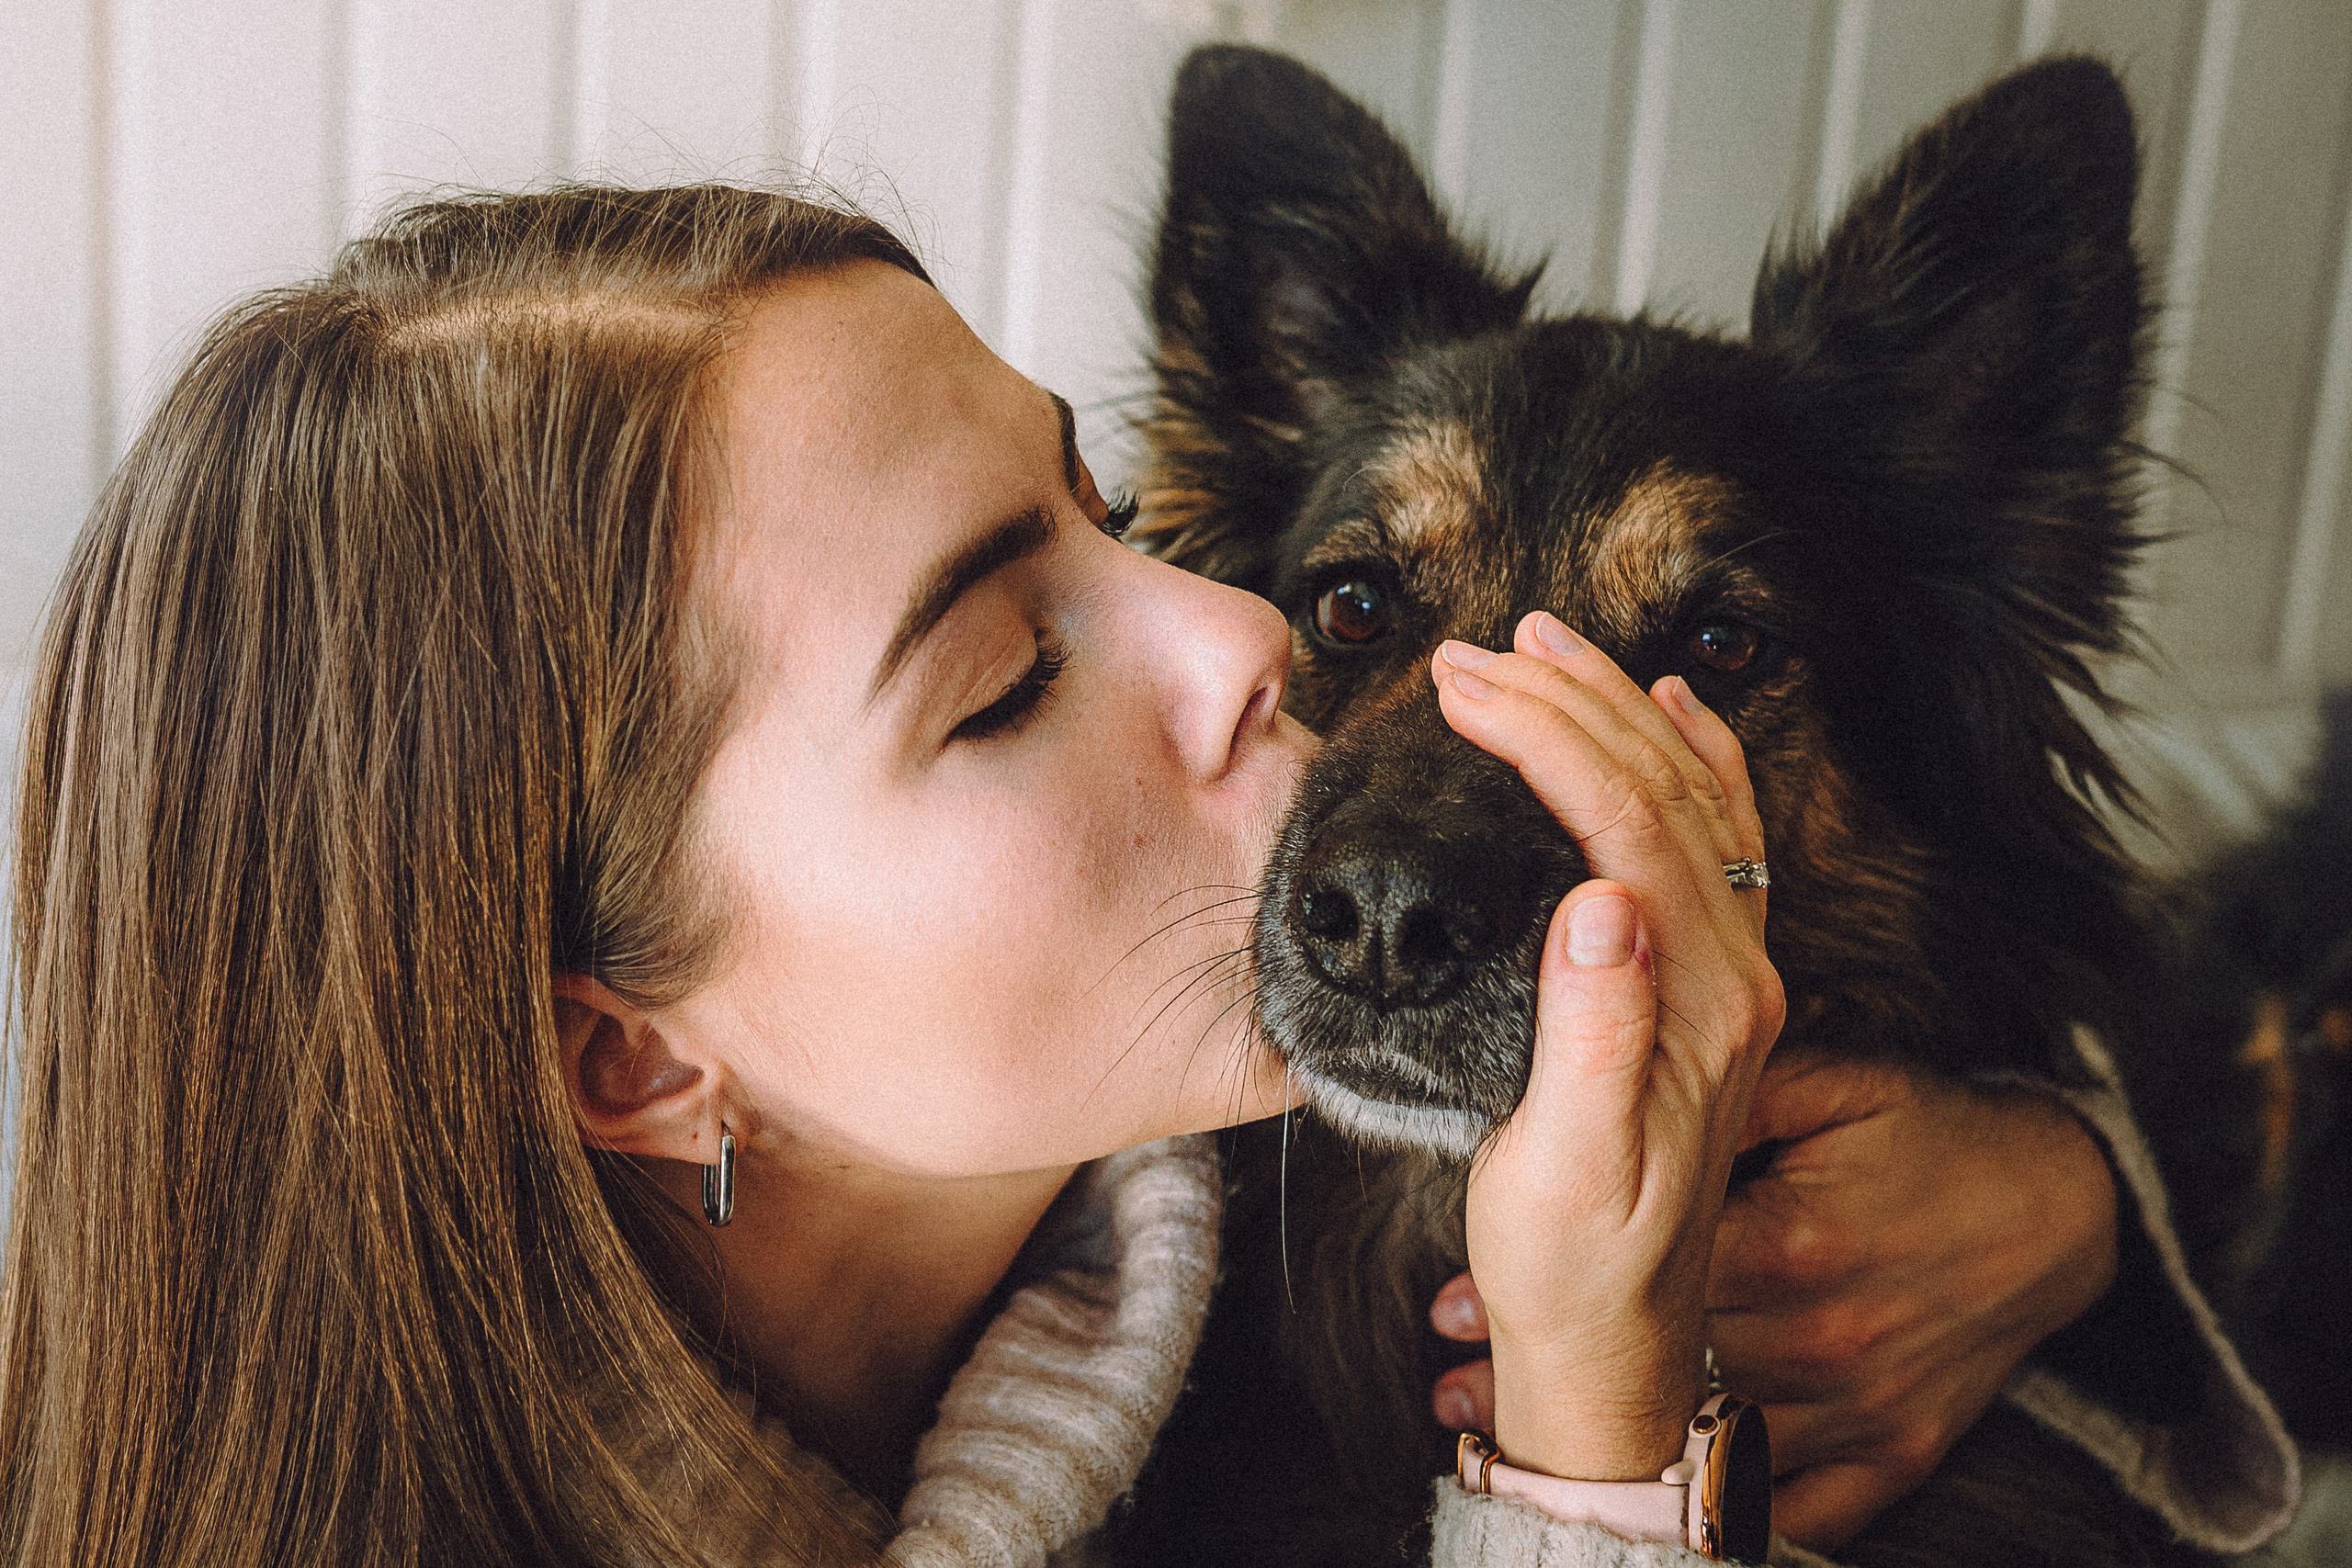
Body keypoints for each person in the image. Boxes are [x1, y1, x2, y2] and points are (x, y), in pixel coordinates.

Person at [0, 184, 2289, 1566]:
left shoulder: (1156, 1210)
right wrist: (1592, 1422)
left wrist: (2059, 1192)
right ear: (628, 1047)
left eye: (1104, 511)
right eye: (1002, 669)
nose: (1250, 629)